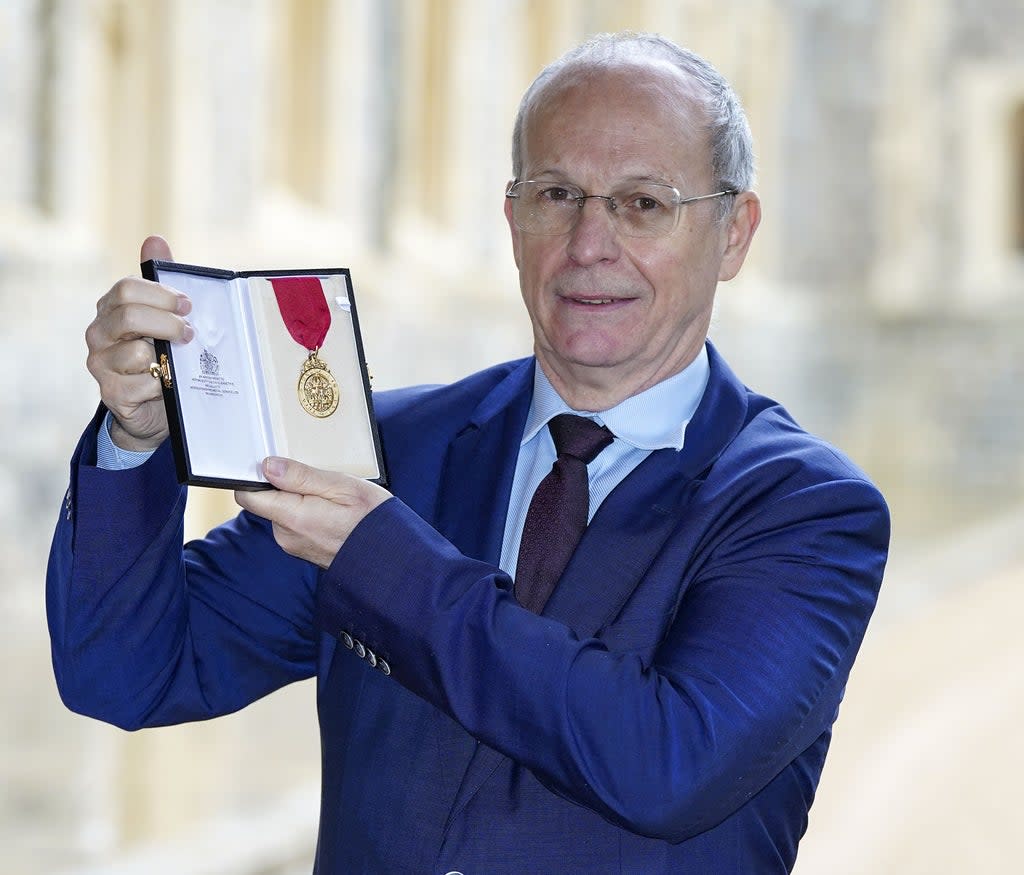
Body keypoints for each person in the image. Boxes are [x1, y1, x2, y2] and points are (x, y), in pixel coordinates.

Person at [47, 32, 889, 874]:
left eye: (643, 203)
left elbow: (670, 764)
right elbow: (126, 672)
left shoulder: (807, 509)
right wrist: (136, 438)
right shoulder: (388, 452)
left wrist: (385, 560)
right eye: (557, 193)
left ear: (734, 233)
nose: (589, 242)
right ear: (513, 216)